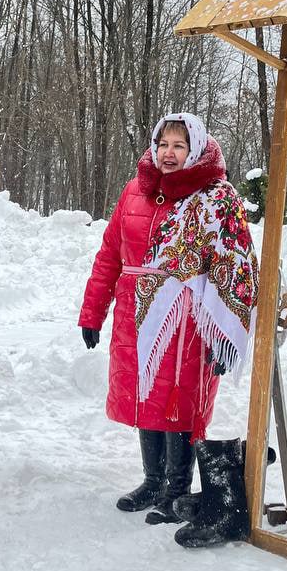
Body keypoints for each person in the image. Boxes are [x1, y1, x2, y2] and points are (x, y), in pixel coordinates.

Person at [78, 113, 258, 522]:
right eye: (163, 145)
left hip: (188, 319)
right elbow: (109, 256)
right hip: (136, 314)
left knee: (176, 402)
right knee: (147, 399)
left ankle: (177, 490)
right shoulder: (134, 193)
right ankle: (153, 481)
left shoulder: (213, 198)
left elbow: (236, 263)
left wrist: (227, 334)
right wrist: (92, 312)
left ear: (193, 149)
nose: (169, 153)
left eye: (178, 146)